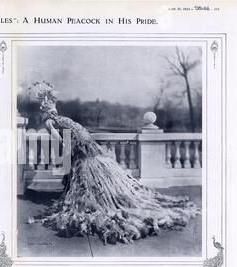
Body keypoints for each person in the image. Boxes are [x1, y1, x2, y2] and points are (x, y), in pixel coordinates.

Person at [31, 81, 200, 246]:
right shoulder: (62, 118)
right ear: (53, 107)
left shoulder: (49, 122)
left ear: (44, 110)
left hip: (83, 154)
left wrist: (66, 155)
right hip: (91, 149)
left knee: (90, 189)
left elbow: (61, 141)